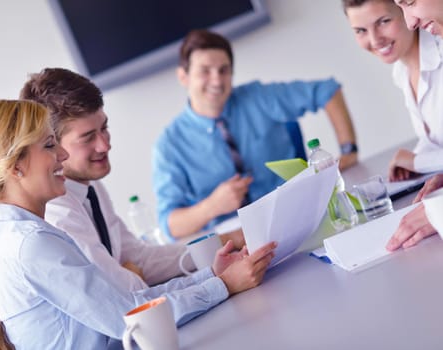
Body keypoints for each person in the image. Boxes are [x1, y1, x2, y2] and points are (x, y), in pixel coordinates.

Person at [0, 99, 277, 349]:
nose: (61, 154)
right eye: (48, 145)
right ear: (16, 166)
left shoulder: (27, 234)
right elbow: (129, 318)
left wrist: (213, 276)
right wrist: (223, 285)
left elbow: (130, 303)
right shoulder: (30, 244)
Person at [19, 68, 243, 291]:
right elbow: (121, 292)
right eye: (88, 138)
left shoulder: (90, 186)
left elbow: (141, 259)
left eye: (104, 128)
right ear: (53, 145)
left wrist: (228, 241)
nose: (105, 145)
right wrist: (220, 281)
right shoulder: (58, 212)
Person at [152, 29, 359, 240]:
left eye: (224, 70)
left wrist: (348, 150)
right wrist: (211, 207)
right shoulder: (169, 145)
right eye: (205, 71)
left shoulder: (258, 97)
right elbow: (170, 225)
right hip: (235, 243)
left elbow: (327, 91)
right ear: (183, 76)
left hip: (299, 221)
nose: (216, 81)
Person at [343, 0, 443, 250]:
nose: (375, 40)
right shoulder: (401, 72)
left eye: (384, 22)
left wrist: (417, 161)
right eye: (360, 31)